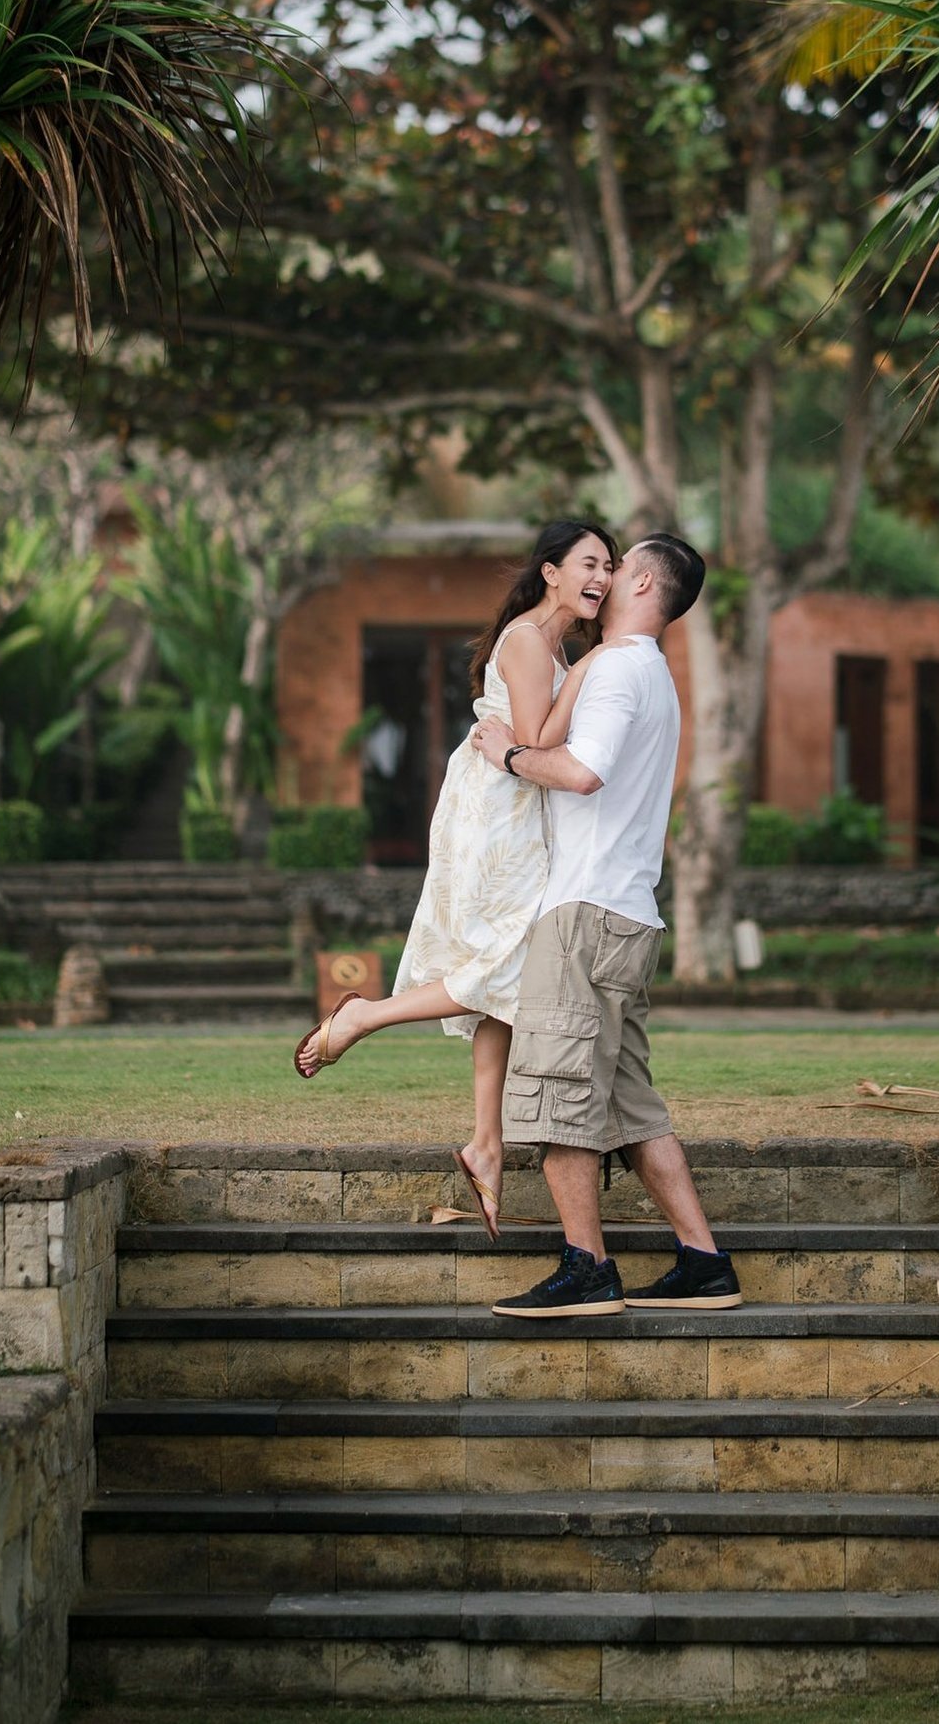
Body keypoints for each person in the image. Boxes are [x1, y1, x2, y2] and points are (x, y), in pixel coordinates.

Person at [292, 520, 618, 1241]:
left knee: (507, 971)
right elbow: (534, 739)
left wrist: (583, 668)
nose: (603, 576)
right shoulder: (529, 641)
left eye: (610, 566)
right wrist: (592, 672)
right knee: (507, 960)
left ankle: (485, 1142)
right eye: (590, 563)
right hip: (500, 814)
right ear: (551, 571)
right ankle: (362, 1016)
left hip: (517, 808)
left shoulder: (553, 645)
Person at [471, 534, 743, 1318]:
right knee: (628, 1105)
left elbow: (582, 772)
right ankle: (703, 1261)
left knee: (559, 1093)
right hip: (627, 915)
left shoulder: (620, 669)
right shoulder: (643, 670)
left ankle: (586, 1267)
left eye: (620, 565)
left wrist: (509, 754)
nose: (608, 573)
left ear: (645, 582)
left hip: (586, 915)